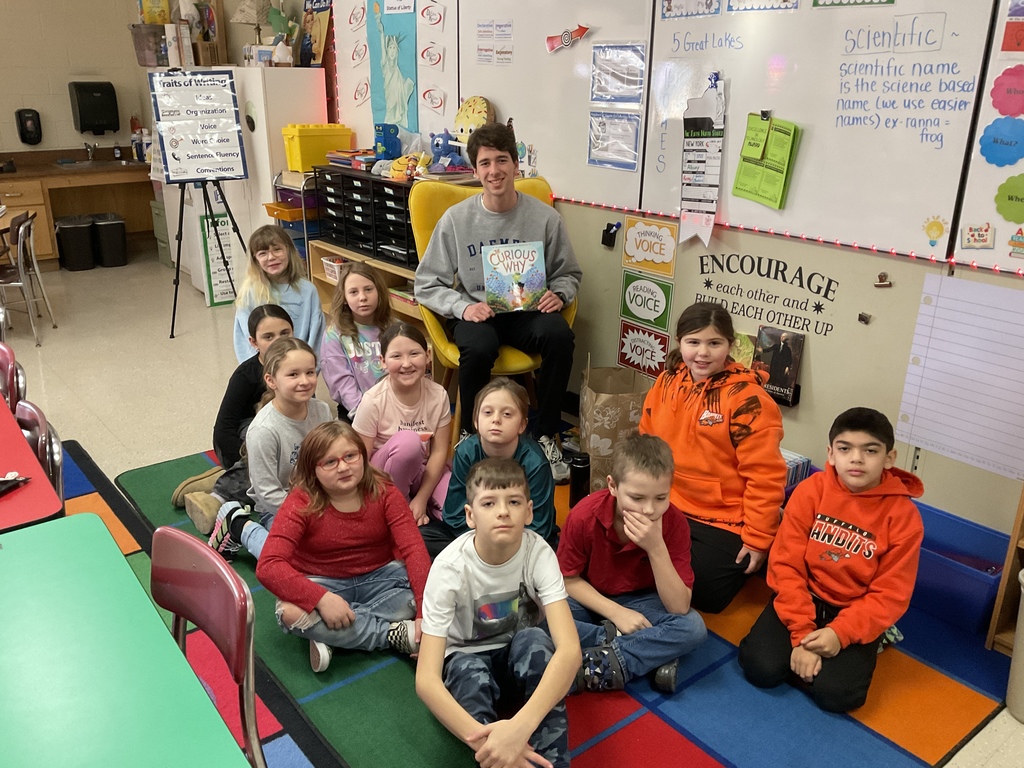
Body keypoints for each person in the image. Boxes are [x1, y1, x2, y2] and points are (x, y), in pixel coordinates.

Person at [413, 121, 583, 483]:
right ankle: (472, 439)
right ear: (475, 170)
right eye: (486, 163)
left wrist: (560, 293)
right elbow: (426, 284)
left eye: (502, 161)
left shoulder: (545, 218)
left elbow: (570, 274)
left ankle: (544, 434)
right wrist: (462, 308)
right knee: (478, 346)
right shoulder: (456, 221)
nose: (494, 171)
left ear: (516, 165)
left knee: (558, 336)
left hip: (526, 311)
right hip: (478, 311)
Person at [738, 408, 924, 713]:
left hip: (853, 610)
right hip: (803, 598)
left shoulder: (905, 518)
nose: (857, 459)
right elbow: (786, 565)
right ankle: (804, 655)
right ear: (831, 453)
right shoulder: (810, 491)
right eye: (845, 448)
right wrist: (800, 634)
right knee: (760, 669)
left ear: (889, 458)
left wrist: (840, 634)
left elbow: (891, 594)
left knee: (837, 696)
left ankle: (870, 640)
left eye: (870, 451)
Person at [415, 458, 580, 768]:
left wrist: (520, 728)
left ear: (529, 511)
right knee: (468, 671)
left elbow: (570, 651)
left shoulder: (539, 553)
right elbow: (426, 680)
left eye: (514, 502)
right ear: (470, 515)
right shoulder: (450, 568)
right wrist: (497, 746)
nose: (503, 511)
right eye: (489, 503)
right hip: (466, 659)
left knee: (535, 641)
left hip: (514, 658)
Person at [639, 301, 786, 614]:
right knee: (617, 556)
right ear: (680, 342)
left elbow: (765, 476)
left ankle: (774, 533)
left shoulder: (748, 400)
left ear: (730, 345)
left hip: (725, 516)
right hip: (666, 502)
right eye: (693, 342)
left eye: (714, 343)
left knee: (703, 594)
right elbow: (646, 445)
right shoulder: (665, 382)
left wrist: (758, 539)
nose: (702, 353)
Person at [255, 421, 431, 673]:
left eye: (350, 456)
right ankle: (391, 635)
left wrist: (424, 613)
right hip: (323, 582)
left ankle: (334, 635)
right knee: (290, 612)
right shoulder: (300, 501)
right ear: (312, 469)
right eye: (330, 462)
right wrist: (322, 599)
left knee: (428, 593)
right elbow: (269, 566)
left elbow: (414, 550)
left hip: (381, 578)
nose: (344, 467)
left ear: (363, 456)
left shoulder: (385, 491)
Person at [557, 434, 707, 695]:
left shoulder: (675, 523)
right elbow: (568, 580)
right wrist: (616, 614)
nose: (649, 510)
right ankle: (648, 653)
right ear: (613, 486)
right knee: (542, 613)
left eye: (661, 498)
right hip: (591, 598)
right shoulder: (584, 515)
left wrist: (656, 547)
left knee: (693, 628)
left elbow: (679, 606)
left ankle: (595, 666)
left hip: (644, 603)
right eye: (637, 498)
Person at [207, 337, 333, 560]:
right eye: (293, 374)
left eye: (310, 372)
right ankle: (239, 525)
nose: (304, 381)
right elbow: (267, 494)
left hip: (319, 499)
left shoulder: (321, 411)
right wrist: (309, 513)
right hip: (278, 507)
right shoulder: (264, 430)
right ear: (271, 380)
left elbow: (330, 461)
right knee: (293, 560)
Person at [173, 304, 294, 531]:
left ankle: (223, 479)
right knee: (265, 479)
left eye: (284, 333)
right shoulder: (245, 377)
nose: (278, 341)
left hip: (285, 447)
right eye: (268, 337)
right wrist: (246, 463)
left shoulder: (299, 364)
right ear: (254, 343)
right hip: (245, 443)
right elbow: (224, 429)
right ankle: (221, 489)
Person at [420, 377, 556, 559]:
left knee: (549, 555)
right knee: (419, 539)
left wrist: (500, 547)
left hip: (519, 540)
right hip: (475, 535)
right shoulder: (466, 452)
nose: (496, 420)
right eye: (488, 412)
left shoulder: (535, 463)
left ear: (522, 425)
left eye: (507, 414)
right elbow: (453, 515)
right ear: (476, 421)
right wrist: (483, 546)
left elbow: (539, 527)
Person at [352, 323, 451, 526]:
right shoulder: (373, 400)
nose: (406, 364)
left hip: (422, 472)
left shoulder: (439, 394)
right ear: (383, 362)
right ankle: (397, 509)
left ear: (428, 355)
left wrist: (422, 498)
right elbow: (360, 459)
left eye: (414, 354)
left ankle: (422, 511)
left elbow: (440, 452)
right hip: (383, 476)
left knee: (457, 502)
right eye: (396, 356)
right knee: (409, 442)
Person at [233, 225, 325, 363]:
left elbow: (316, 336)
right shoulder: (249, 293)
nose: (271, 257)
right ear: (255, 259)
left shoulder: (308, 291)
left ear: (288, 251)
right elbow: (244, 338)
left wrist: (308, 366)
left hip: (299, 366)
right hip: (263, 369)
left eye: (277, 250)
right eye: (263, 253)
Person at [320, 262, 392, 421]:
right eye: (353, 292)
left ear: (379, 292)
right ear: (344, 298)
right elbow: (341, 382)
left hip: (392, 408)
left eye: (368, 289)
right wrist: (365, 416)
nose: (363, 297)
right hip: (354, 411)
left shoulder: (393, 329)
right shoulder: (334, 334)